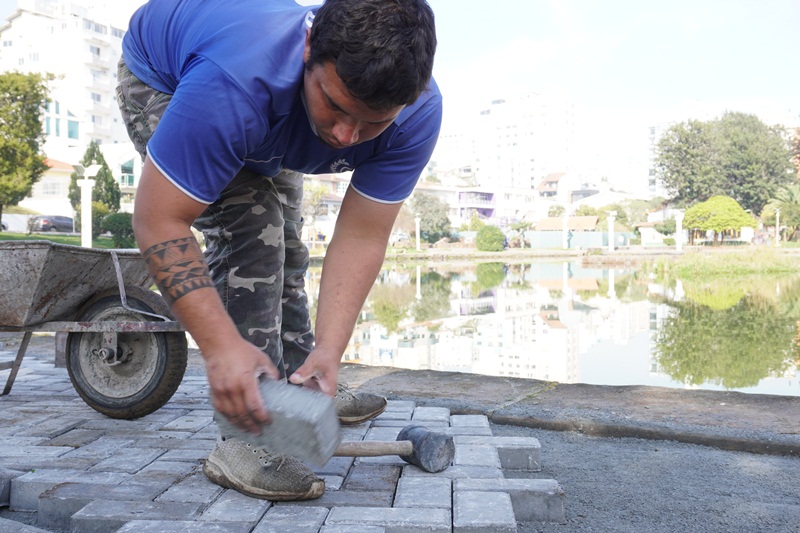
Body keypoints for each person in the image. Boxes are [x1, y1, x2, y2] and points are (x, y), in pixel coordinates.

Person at [116, 0, 440, 501]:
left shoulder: (417, 114)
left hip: (268, 101)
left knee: (288, 240)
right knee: (254, 224)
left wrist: (331, 351)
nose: (344, 137)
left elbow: (361, 236)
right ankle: (246, 434)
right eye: (335, 105)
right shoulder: (235, 81)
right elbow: (160, 219)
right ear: (309, 48)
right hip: (165, 78)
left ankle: (302, 384)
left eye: (371, 124)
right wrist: (221, 349)